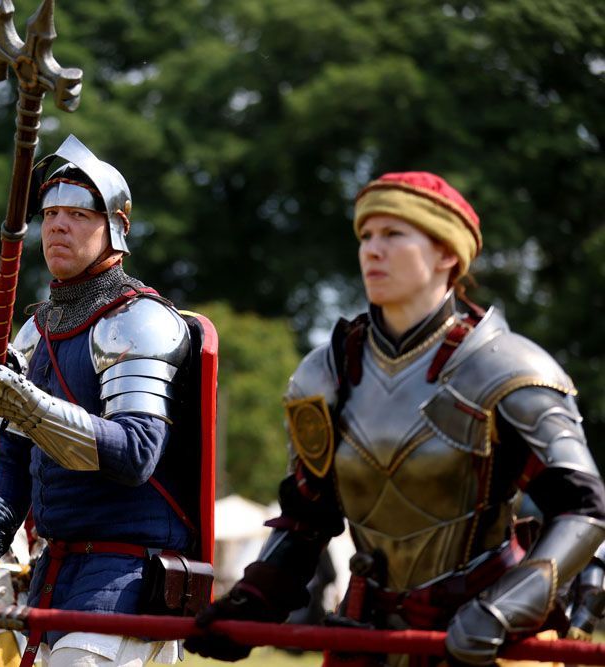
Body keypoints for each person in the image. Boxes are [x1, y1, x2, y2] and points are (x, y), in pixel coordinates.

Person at [184, 171, 605, 666]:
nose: (372, 250)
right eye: (366, 236)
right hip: (368, 635)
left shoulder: (507, 368)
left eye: (393, 234)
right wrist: (254, 601)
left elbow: (583, 509)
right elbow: (306, 517)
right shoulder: (327, 374)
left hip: (485, 640)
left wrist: (503, 610)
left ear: (447, 254)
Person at [0, 135, 214, 667]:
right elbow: (11, 456)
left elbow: (135, 453)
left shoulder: (138, 321)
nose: (58, 226)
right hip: (54, 574)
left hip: (126, 574)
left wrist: (26, 405)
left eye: (79, 214)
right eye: (50, 214)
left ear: (116, 226)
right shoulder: (35, 331)